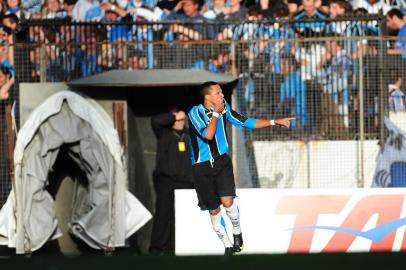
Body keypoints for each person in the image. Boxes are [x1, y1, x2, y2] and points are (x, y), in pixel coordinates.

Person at [188, 81, 294, 255]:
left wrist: (275, 121)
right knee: (214, 210)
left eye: (222, 92)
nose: (222, 96)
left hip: (221, 162)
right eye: (218, 93)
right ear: (207, 97)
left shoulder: (224, 108)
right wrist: (216, 113)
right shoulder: (195, 112)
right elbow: (208, 135)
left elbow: (244, 121)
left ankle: (237, 231)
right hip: (202, 167)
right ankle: (228, 246)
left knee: (228, 202)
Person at [149, 109, 194, 254]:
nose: (181, 122)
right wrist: (173, 117)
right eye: (178, 120)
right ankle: (156, 249)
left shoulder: (189, 135)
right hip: (166, 181)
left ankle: (173, 248)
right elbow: (156, 120)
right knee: (163, 215)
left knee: (180, 216)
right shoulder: (164, 132)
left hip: (186, 183)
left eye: (182, 120)